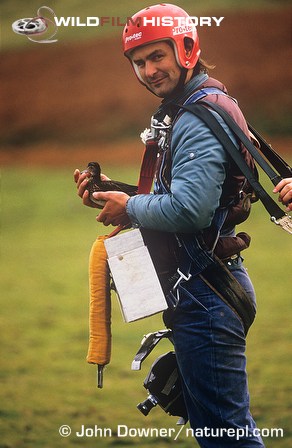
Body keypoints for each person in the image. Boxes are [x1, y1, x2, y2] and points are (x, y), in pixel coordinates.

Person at [74, 4, 270, 446]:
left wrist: (131, 207)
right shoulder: (191, 106)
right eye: (139, 62)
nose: (148, 70)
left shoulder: (197, 117)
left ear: (185, 49)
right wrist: (115, 192)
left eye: (157, 56)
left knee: (227, 437)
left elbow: (190, 211)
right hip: (203, 291)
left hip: (207, 293)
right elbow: (183, 196)